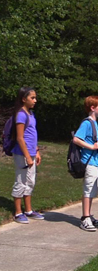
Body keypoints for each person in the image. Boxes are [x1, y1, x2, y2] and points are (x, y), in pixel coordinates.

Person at [72, 96, 98, 232]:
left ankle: (89, 215)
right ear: (92, 108)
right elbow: (76, 139)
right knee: (88, 189)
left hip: (94, 163)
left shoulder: (95, 124)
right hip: (89, 162)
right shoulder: (87, 123)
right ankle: (85, 217)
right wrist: (91, 147)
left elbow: (91, 138)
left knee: (93, 189)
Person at [11, 87, 43, 224]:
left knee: (30, 181)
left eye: (35, 97)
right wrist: (28, 157)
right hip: (22, 154)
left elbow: (32, 135)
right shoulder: (21, 115)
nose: (35, 100)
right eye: (32, 98)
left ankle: (28, 210)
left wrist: (36, 151)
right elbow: (20, 138)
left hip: (31, 153)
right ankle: (18, 212)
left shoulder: (30, 114)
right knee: (21, 182)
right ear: (24, 99)